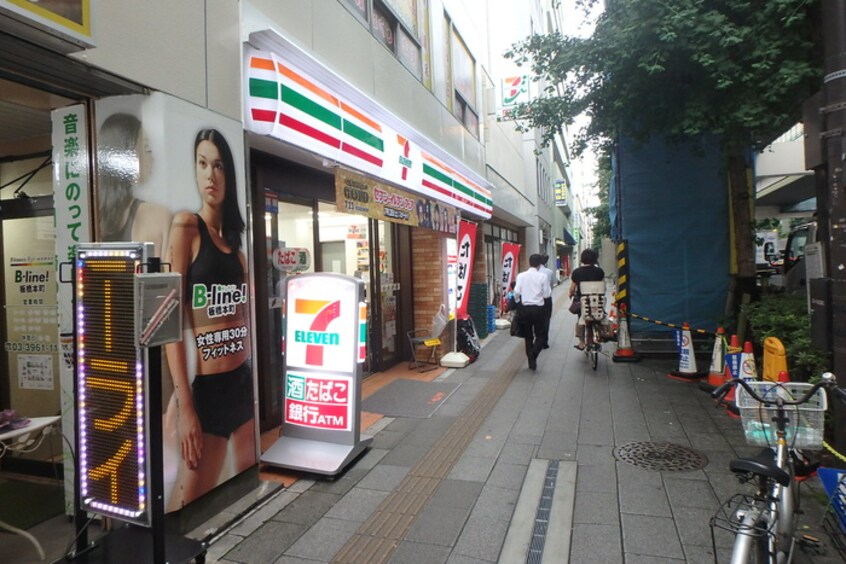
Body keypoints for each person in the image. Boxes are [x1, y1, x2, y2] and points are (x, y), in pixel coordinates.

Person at [165, 128, 254, 511]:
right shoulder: (187, 225)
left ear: (228, 174)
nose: (210, 175)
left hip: (243, 380)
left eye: (218, 165)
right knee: (188, 504)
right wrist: (185, 404)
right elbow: (169, 320)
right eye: (202, 164)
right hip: (210, 392)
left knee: (245, 488)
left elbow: (245, 320)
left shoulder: (236, 246)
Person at [97, 112, 171, 255]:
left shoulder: (94, 216)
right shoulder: (156, 215)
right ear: (125, 155)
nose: (153, 158)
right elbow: (166, 276)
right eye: (147, 149)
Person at [513, 253, 552, 370]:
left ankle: (531, 361)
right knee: (540, 334)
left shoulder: (521, 276)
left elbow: (516, 291)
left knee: (528, 335)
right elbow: (546, 294)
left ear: (529, 262)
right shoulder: (543, 277)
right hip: (538, 309)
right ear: (540, 264)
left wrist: (517, 301)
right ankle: (534, 353)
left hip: (524, 308)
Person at [568, 248, 605, 350]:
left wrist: (570, 294)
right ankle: (592, 340)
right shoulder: (599, 271)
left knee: (581, 319)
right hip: (597, 301)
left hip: (583, 302)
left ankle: (581, 343)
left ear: (582, 259)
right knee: (596, 318)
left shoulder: (577, 272)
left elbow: (572, 288)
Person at [539, 255, 556, 349]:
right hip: (546, 299)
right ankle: (544, 341)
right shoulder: (549, 272)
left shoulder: (529, 273)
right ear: (545, 262)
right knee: (546, 320)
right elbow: (552, 284)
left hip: (534, 299)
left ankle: (537, 338)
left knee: (536, 320)